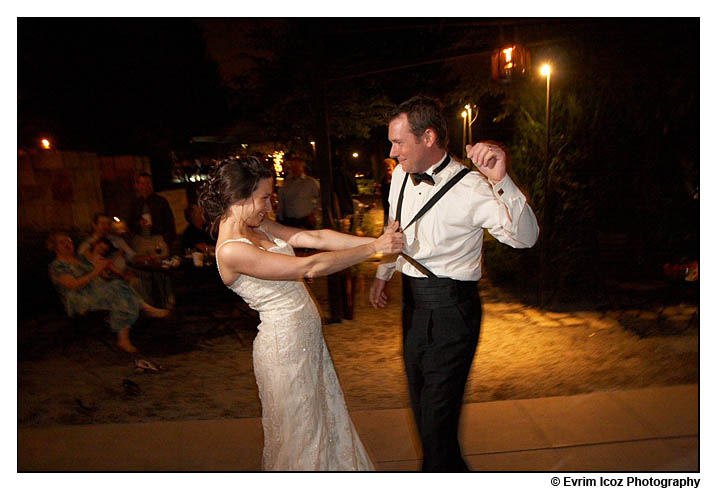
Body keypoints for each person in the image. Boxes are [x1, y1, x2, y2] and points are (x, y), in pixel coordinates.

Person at [198, 156, 404, 471]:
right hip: (283, 350)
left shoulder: (258, 224)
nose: (270, 205)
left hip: (306, 342)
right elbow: (309, 266)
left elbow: (315, 238)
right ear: (239, 196)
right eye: (264, 197)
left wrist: (378, 241)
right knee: (301, 438)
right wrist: (374, 250)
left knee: (324, 423)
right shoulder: (230, 250)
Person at [369, 96, 539, 471]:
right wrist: (384, 272)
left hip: (452, 310)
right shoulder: (399, 174)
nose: (392, 151)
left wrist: (502, 181)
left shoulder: (473, 187)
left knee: (436, 420)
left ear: (428, 137)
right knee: (424, 414)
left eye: (399, 142)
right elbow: (394, 228)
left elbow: (525, 238)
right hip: (412, 306)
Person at [47, 232, 170, 353]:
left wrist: (108, 271)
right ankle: (144, 310)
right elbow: (73, 285)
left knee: (120, 288)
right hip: (80, 298)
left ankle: (124, 338)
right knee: (118, 287)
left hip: (98, 291)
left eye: (69, 241)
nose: (68, 244)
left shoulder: (80, 259)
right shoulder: (57, 266)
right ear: (55, 247)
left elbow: (99, 276)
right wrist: (96, 271)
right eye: (63, 242)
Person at [129, 172, 177, 248]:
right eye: (142, 183)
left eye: (148, 183)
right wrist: (139, 223)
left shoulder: (161, 201)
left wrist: (166, 240)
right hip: (141, 240)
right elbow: (130, 223)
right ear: (137, 186)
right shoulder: (135, 204)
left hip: (158, 239)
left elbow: (169, 222)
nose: (145, 186)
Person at [277, 155, 320, 230]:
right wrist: (280, 216)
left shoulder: (310, 182)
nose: (294, 168)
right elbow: (281, 200)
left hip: (304, 219)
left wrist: (314, 214)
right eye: (293, 166)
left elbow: (319, 199)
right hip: (288, 220)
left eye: (297, 165)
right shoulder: (287, 182)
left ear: (302, 166)